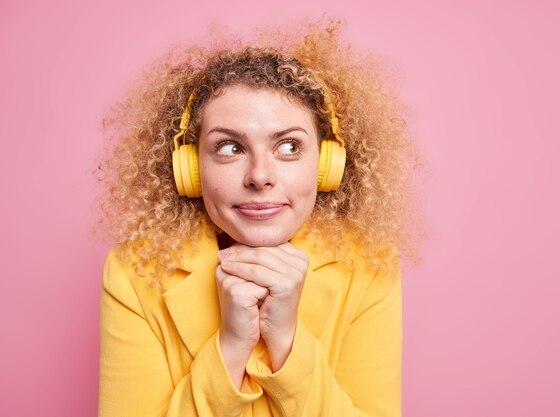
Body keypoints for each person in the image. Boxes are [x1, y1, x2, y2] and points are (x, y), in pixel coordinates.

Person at [97, 18, 421, 417]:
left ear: (326, 165)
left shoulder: (369, 267)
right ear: (191, 169)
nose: (260, 177)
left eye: (288, 146)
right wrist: (231, 347)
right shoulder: (134, 274)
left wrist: (286, 341)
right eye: (230, 148)